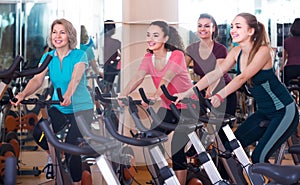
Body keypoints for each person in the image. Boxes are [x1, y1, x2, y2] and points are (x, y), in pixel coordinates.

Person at [174, 13, 299, 164]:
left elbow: (242, 77)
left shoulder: (263, 51)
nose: (233, 30)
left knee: (258, 157)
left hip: (284, 111)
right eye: (232, 26)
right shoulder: (236, 52)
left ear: (251, 31)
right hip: (264, 112)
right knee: (230, 149)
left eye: (238, 26)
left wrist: (219, 96)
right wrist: (188, 92)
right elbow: (215, 73)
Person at [11, 18, 94, 185]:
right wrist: (22, 94)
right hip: (59, 108)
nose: (58, 36)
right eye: (55, 32)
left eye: (62, 32)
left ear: (69, 35)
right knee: (39, 134)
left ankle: (76, 181)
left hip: (81, 109)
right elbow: (37, 80)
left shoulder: (80, 55)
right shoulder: (48, 57)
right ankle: (57, 155)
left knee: (73, 148)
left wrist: (69, 94)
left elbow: (75, 79)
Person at [118, 20, 193, 184]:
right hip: (169, 107)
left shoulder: (177, 55)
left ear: (166, 38)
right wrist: (122, 94)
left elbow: (166, 79)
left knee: (177, 148)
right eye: (148, 35)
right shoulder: (148, 57)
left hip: (189, 107)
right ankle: (164, 178)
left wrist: (155, 97)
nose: (150, 39)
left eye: (156, 35)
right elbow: (138, 77)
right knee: (151, 139)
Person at [185, 13, 237, 117]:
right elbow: (180, 69)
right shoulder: (191, 49)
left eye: (207, 26)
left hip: (223, 90)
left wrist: (211, 89)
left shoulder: (220, 49)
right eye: (199, 25)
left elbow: (218, 74)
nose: (202, 29)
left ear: (213, 28)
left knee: (223, 130)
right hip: (203, 90)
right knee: (196, 123)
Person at [280, 18, 300, 86]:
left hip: (290, 69)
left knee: (287, 87)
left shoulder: (286, 41)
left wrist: (281, 68)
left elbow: (284, 57)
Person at [103, 20, 121, 93]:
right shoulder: (116, 43)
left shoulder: (102, 41)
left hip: (105, 67)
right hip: (111, 68)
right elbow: (124, 55)